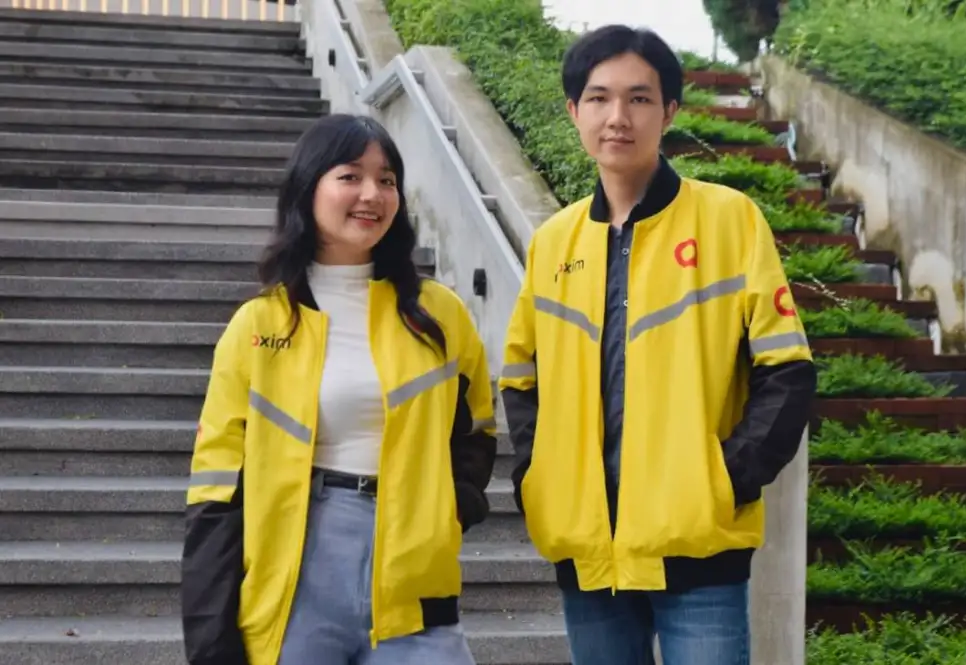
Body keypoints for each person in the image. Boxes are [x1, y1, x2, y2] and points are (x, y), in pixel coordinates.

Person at [498, 25, 817, 665]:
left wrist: (723, 481)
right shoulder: (553, 242)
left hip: (698, 546)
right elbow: (520, 378)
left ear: (669, 111)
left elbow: (787, 369)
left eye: (639, 99)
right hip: (587, 547)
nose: (618, 117)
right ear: (574, 111)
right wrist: (543, 481)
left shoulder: (728, 220)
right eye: (599, 98)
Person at [180, 113, 498, 665]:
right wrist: (211, 637)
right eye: (350, 176)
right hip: (296, 576)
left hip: (414, 581)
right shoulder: (259, 325)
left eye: (386, 179)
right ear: (308, 189)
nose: (371, 194)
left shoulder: (438, 314)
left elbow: (475, 428)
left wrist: (450, 510)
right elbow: (216, 485)